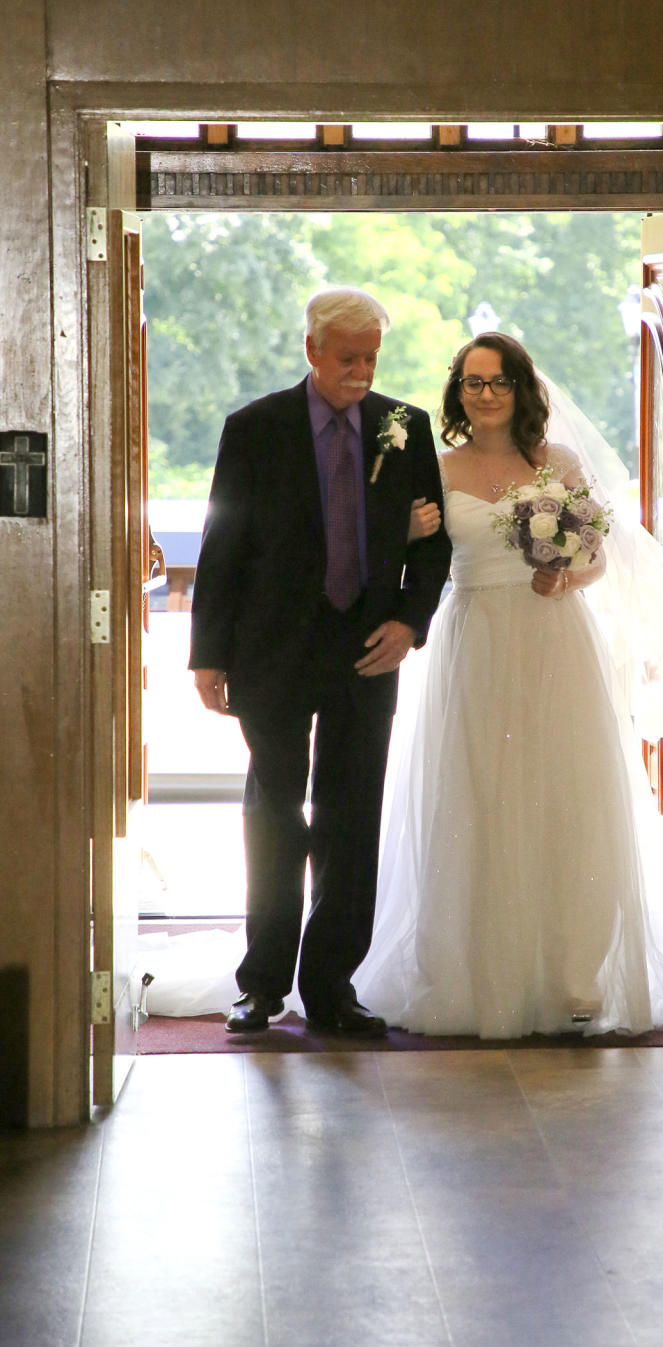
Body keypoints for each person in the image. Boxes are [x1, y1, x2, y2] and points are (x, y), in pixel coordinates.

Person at [352, 332, 663, 1037]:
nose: (486, 393)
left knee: (565, 795)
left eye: (498, 381)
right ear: (457, 392)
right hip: (475, 640)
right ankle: (473, 971)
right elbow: (410, 559)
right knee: (479, 792)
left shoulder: (556, 462)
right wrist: (407, 532)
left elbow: (595, 555)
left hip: (555, 638)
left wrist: (565, 574)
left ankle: (572, 977)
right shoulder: (435, 469)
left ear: (521, 389)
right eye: (473, 382)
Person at [189, 286, 451, 1035]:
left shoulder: (405, 426)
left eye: (372, 356)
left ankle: (333, 987)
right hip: (272, 649)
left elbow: (433, 548)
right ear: (312, 350)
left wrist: (409, 621)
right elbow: (223, 545)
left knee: (351, 815)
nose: (362, 370)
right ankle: (263, 985)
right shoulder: (255, 428)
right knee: (274, 813)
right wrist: (209, 655)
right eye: (348, 357)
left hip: (369, 652)